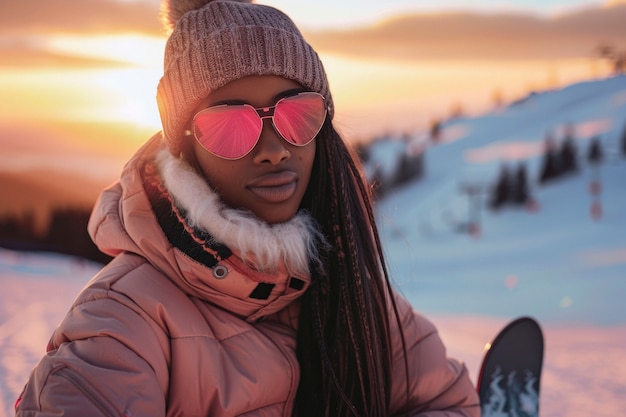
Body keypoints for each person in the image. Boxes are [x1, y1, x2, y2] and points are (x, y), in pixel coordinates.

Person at [15, 1, 480, 416]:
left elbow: (447, 400)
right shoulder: (124, 320)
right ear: (186, 148)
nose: (274, 149)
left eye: (297, 114)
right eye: (231, 125)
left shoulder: (350, 294)